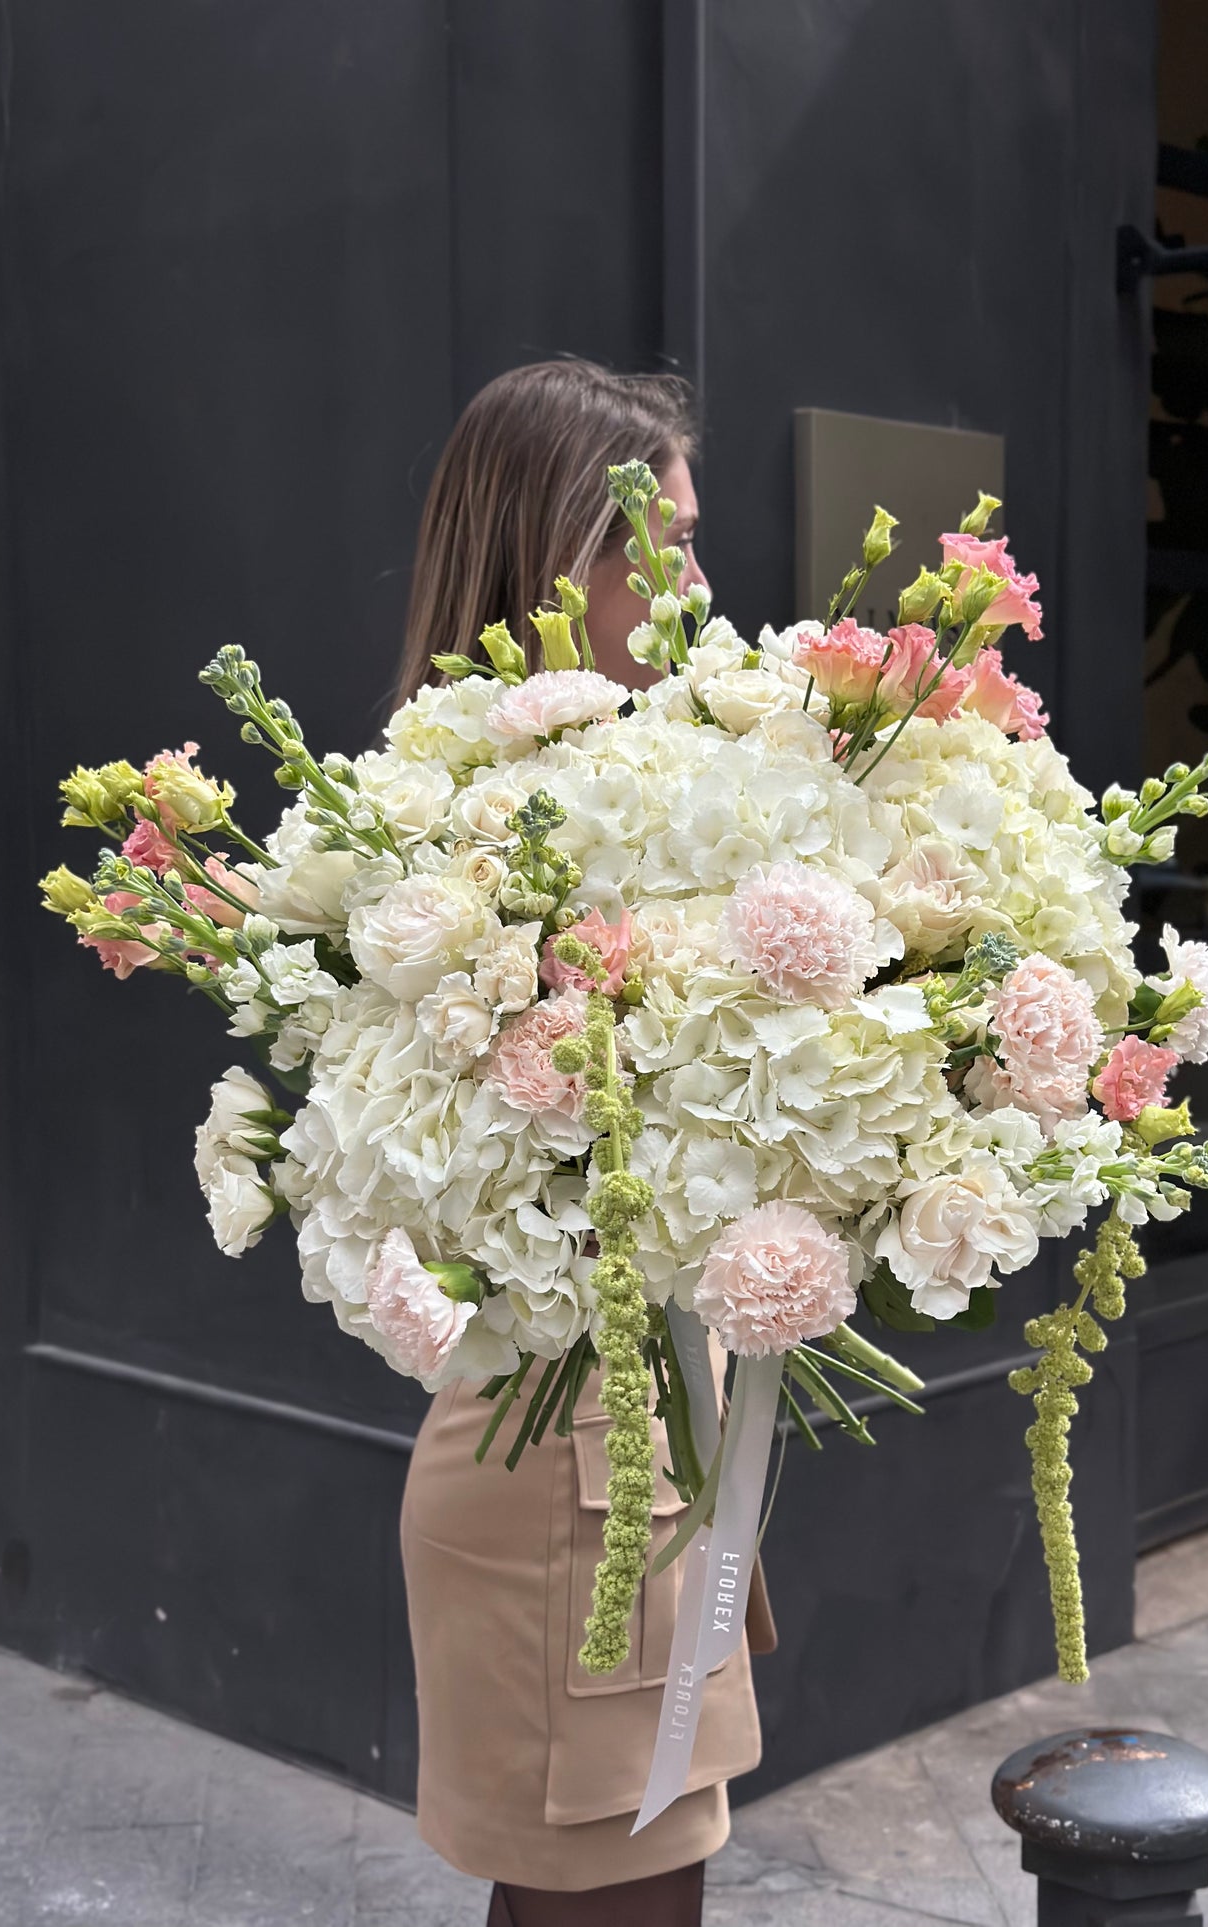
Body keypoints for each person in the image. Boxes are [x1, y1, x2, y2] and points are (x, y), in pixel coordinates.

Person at [395, 360, 773, 1927]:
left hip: (645, 1441)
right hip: (567, 1478)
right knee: (610, 1898)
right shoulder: (467, 825)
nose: (699, 582)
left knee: (588, 1899)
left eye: (695, 536)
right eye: (661, 546)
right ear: (559, 557)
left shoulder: (646, 787)